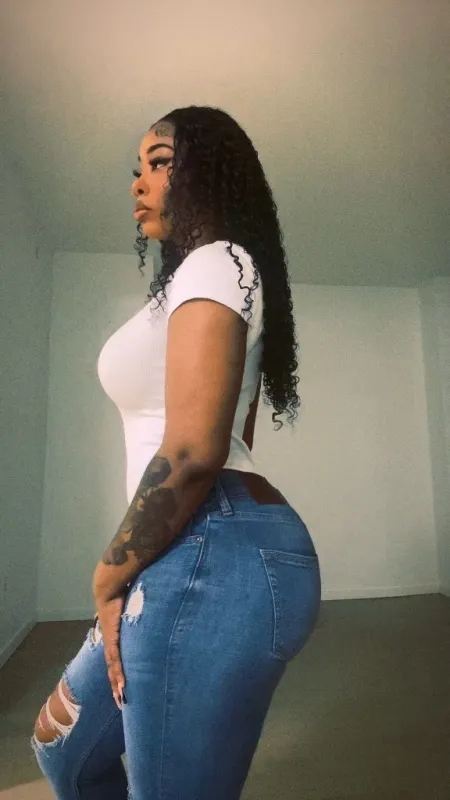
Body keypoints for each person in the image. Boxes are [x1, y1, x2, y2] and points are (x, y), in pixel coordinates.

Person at [32, 105, 321, 799]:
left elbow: (195, 449)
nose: (139, 183)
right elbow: (233, 427)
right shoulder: (204, 278)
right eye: (137, 169)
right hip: (190, 544)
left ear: (210, 174)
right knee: (62, 748)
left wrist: (108, 574)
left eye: (160, 163)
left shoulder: (219, 261)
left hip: (213, 547)